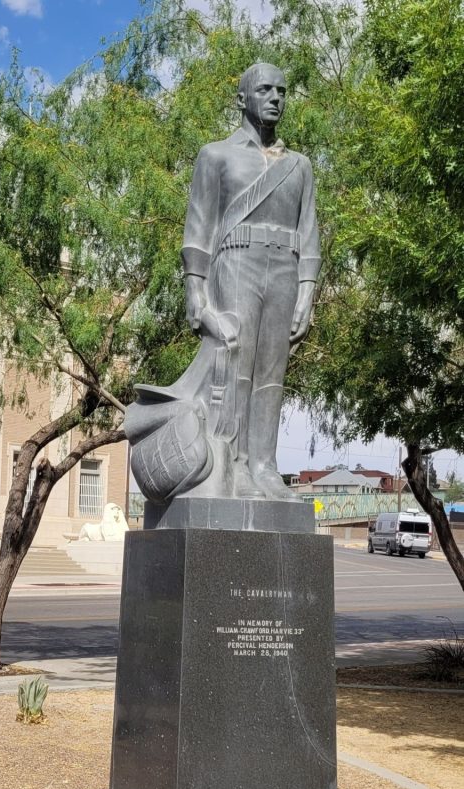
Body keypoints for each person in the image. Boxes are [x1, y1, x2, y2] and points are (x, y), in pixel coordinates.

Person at [181, 62, 319, 500]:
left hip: (284, 268)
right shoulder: (216, 155)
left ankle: (265, 466)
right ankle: (235, 466)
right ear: (243, 99)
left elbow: (310, 231)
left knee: (272, 371)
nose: (276, 97)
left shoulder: (299, 166)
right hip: (235, 263)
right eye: (265, 89)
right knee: (236, 362)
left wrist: (307, 290)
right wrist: (194, 288)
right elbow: (199, 225)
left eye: (282, 90)